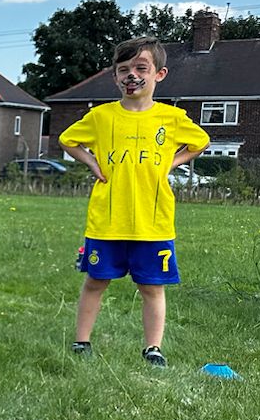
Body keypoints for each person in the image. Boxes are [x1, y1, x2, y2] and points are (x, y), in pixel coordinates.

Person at [56, 35, 209, 366]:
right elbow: (68, 140)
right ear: (115, 77)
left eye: (141, 68)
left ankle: (152, 348)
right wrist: (93, 163)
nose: (132, 75)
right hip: (107, 221)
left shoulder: (171, 118)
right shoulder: (101, 117)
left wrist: (171, 163)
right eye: (123, 69)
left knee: (152, 287)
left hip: (152, 224)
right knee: (96, 281)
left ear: (159, 75)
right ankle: (81, 342)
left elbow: (200, 141)